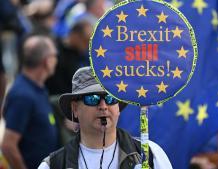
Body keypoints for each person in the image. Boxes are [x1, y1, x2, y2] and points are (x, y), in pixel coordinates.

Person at [38, 66, 173, 169]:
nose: (103, 106)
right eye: (92, 98)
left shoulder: (150, 154)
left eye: (110, 98)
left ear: (118, 107)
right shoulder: (54, 165)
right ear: (75, 108)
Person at [1, 35, 59, 169]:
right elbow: (8, 145)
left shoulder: (38, 88)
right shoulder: (23, 95)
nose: (56, 60)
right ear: (47, 61)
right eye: (55, 56)